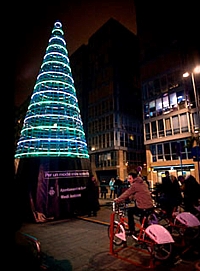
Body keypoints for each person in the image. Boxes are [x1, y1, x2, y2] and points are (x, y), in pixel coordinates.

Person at [114, 170, 154, 235]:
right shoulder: (143, 183)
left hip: (143, 206)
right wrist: (132, 197)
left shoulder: (134, 185)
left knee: (130, 212)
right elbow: (138, 193)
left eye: (130, 178)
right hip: (150, 206)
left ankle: (132, 230)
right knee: (143, 220)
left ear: (134, 178)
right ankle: (146, 233)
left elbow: (126, 193)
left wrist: (117, 200)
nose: (128, 180)